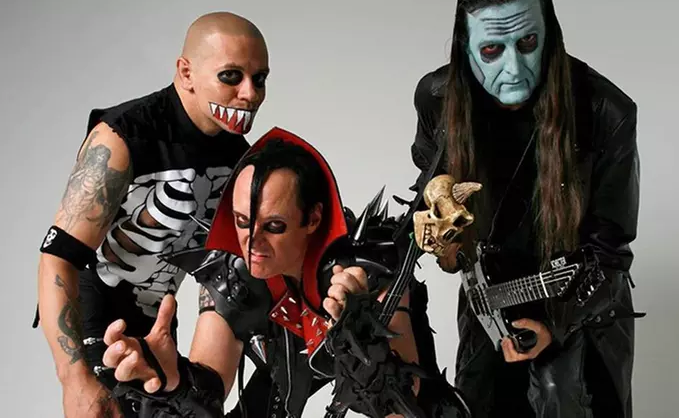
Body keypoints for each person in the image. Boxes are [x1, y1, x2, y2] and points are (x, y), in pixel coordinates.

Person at [98, 127, 471, 418]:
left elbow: (402, 401)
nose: (252, 242)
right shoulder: (235, 273)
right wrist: (172, 379)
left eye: (274, 226)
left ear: (313, 219)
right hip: (282, 377)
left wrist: (364, 340)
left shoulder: (363, 272)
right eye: (242, 222)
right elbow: (208, 391)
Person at [408, 0, 643, 417]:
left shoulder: (607, 111)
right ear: (464, 45)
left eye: (528, 42)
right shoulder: (437, 98)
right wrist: (441, 239)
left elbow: (609, 251)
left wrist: (556, 323)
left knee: (561, 396)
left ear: (549, 33)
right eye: (492, 50)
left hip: (580, 304)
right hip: (489, 302)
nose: (514, 69)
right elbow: (429, 189)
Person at [35, 11, 269, 417]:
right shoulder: (123, 136)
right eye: (231, 76)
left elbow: (225, 273)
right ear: (186, 72)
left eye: (260, 78)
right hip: (97, 322)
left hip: (160, 324)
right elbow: (58, 257)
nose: (249, 94)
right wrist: (75, 380)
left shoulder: (239, 159)